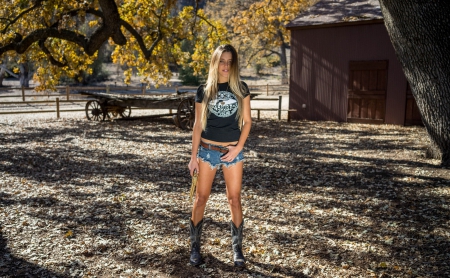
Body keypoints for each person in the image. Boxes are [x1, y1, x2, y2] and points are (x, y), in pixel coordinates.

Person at [188, 44, 252, 268]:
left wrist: (237, 148)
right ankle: (195, 247)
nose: (226, 65)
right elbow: (197, 125)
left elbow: (248, 122)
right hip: (207, 152)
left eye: (229, 61)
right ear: (215, 63)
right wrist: (193, 157)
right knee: (200, 198)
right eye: (222, 61)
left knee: (234, 200)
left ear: (234, 64)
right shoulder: (204, 90)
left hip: (233, 152)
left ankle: (237, 249)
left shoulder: (241, 88)